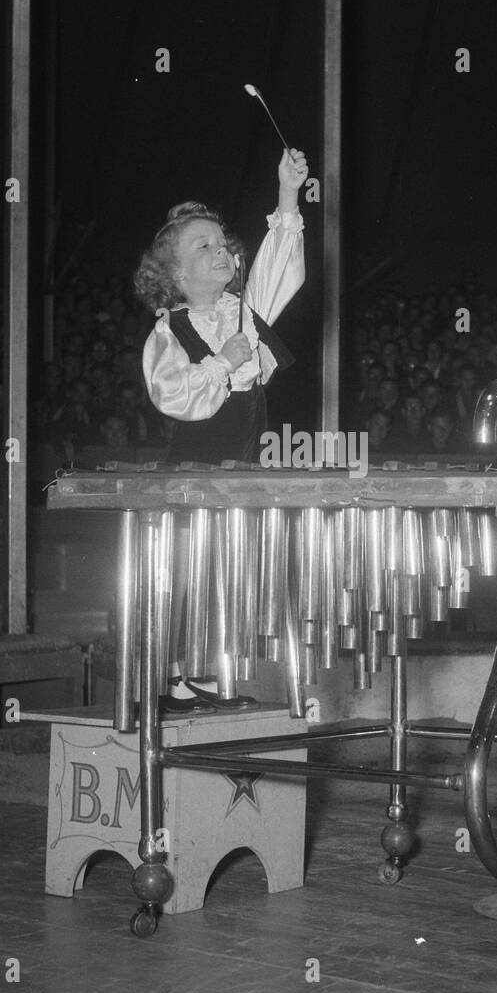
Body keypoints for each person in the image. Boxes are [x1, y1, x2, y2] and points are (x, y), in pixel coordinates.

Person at [134, 147, 309, 711]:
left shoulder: (244, 312)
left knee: (231, 573)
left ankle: (217, 676)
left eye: (222, 242)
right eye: (201, 246)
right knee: (188, 575)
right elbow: (173, 394)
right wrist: (224, 362)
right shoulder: (170, 332)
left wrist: (287, 194)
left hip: (244, 474)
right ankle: (176, 675)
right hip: (193, 475)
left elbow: (279, 268)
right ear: (174, 275)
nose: (221, 251)